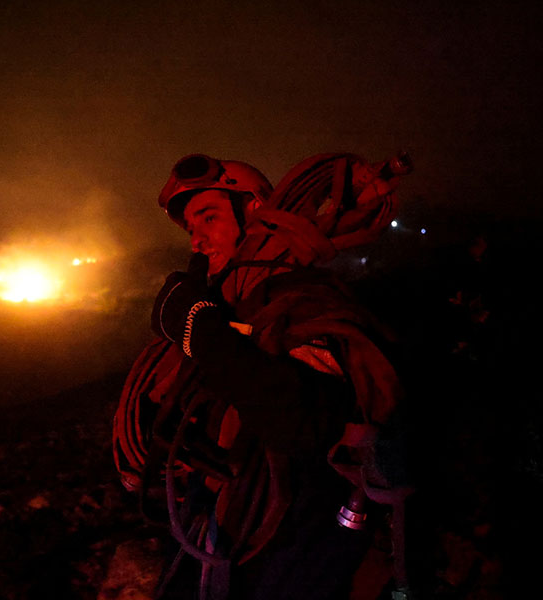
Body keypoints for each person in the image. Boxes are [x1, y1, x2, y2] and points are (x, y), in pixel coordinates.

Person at [114, 153, 412, 599]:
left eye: (209, 218)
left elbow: (306, 421)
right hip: (219, 530)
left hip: (292, 549)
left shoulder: (304, 301)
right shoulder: (231, 309)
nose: (197, 240)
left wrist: (200, 333)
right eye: (191, 228)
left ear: (254, 210)